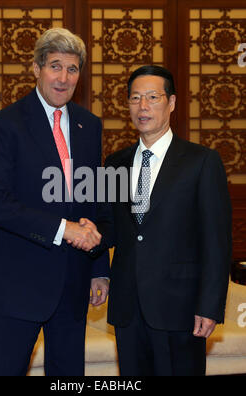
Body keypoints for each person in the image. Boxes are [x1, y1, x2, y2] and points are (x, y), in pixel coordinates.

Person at [0, 28, 110, 376]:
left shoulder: (89, 125)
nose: (63, 78)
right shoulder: (6, 124)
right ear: (36, 68)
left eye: (72, 69)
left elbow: (90, 199)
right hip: (17, 285)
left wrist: (98, 268)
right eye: (55, 66)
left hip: (74, 283)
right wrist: (62, 229)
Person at [90, 65, 232, 376]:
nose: (143, 106)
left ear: (171, 103)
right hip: (128, 306)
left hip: (180, 307)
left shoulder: (202, 161)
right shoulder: (115, 163)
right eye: (135, 98)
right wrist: (95, 259)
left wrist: (209, 306)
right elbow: (109, 227)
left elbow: (216, 242)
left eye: (153, 97)